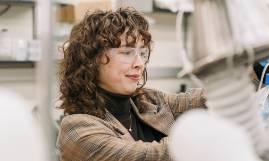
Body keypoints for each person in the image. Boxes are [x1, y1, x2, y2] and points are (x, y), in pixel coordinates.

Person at [57, 7, 206, 161]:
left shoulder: (147, 100)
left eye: (142, 53)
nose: (140, 63)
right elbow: (148, 157)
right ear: (92, 60)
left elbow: (202, 99)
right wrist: (205, 136)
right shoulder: (77, 130)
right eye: (127, 53)